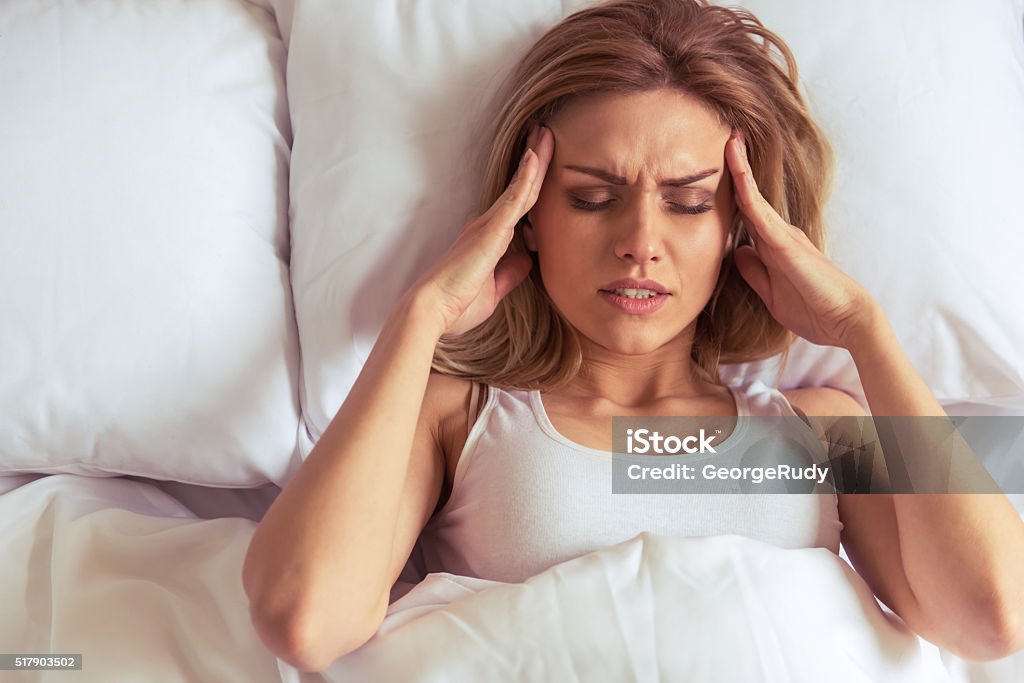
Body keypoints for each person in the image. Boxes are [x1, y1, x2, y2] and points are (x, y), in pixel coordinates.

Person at [242, 0, 1024, 672]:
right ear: (529, 217)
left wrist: (866, 332)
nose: (640, 241)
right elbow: (304, 617)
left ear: (740, 227)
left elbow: (993, 615)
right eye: (591, 197)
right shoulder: (459, 416)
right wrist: (419, 322)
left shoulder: (821, 428)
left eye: (687, 202)